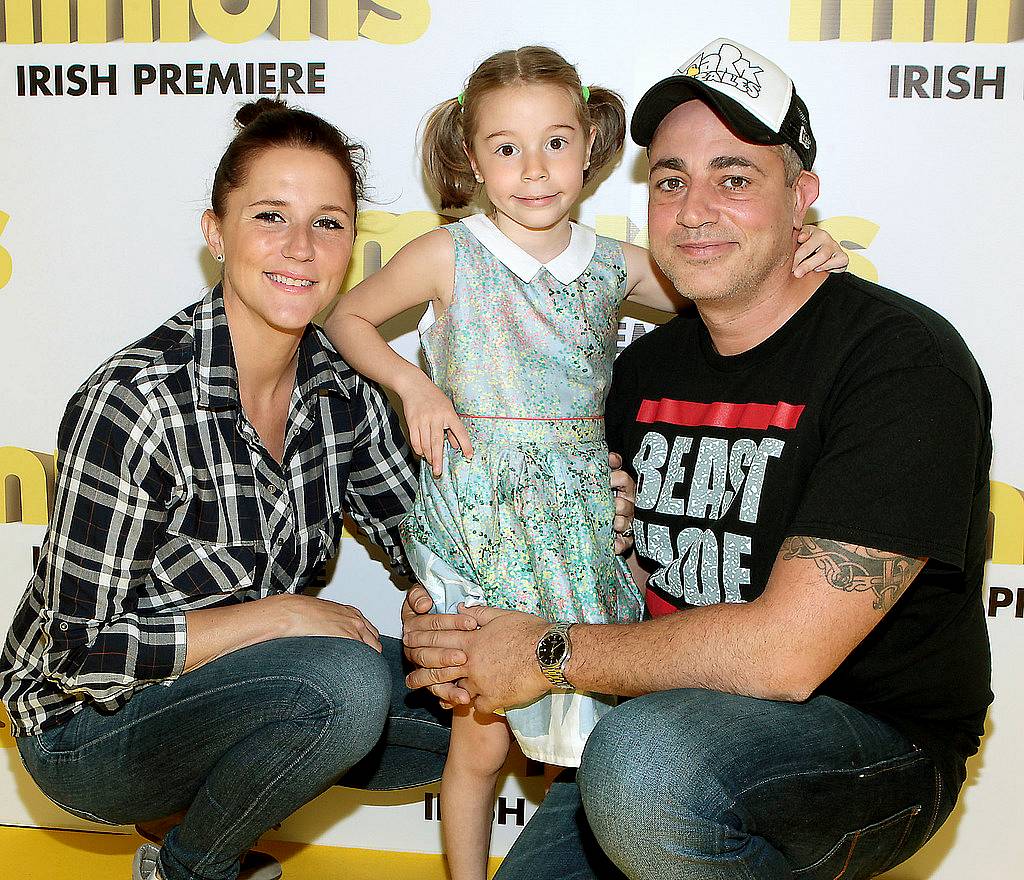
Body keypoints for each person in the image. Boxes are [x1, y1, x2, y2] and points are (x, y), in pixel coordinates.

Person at [401, 38, 993, 880]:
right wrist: (455, 614)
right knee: (635, 764)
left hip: (862, 737)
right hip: (650, 729)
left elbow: (785, 658)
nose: (695, 207)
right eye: (671, 180)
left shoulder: (899, 360)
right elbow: (540, 530)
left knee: (646, 765)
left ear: (803, 201)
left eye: (736, 177)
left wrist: (543, 654)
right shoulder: (634, 372)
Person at [327, 45, 848, 880]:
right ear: (471, 157)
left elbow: (712, 278)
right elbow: (350, 317)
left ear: (591, 145)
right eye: (506, 148)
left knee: (596, 721)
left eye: (556, 142)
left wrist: (804, 246)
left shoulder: (610, 263)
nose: (533, 169)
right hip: (480, 508)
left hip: (578, 518)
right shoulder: (449, 255)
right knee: (479, 725)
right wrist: (412, 388)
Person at [0, 99, 457, 880]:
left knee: (477, 707)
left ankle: (199, 811)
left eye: (329, 223)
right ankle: (191, 870)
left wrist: (449, 597)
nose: (300, 249)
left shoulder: (343, 385)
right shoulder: (139, 400)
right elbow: (78, 652)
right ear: (216, 233)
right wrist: (277, 618)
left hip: (236, 694)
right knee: (340, 684)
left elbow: (428, 537)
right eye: (270, 216)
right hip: (85, 726)